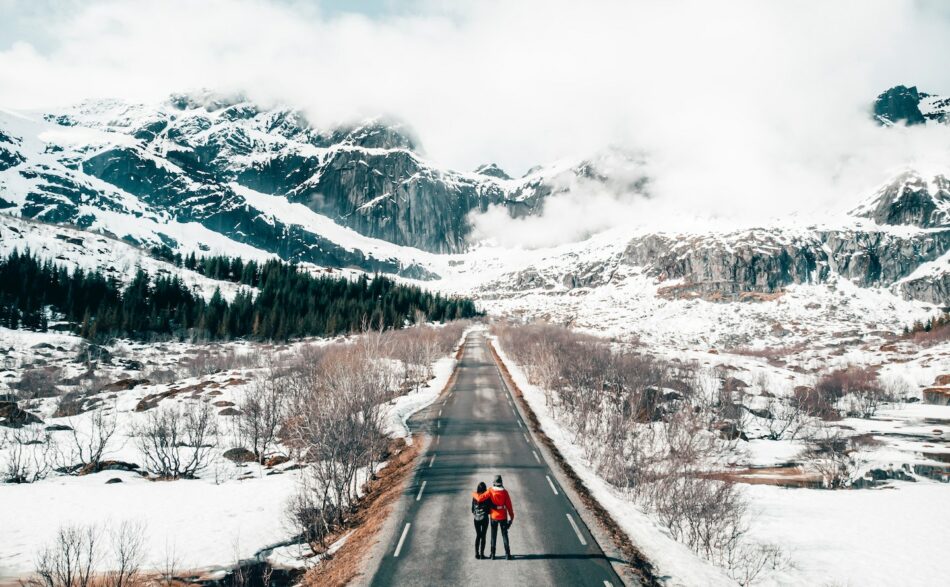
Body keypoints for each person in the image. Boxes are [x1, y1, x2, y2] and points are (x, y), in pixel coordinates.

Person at [485, 474, 515, 560]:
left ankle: (493, 554)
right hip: (503, 517)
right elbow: (509, 506)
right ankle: (507, 554)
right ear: (501, 482)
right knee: (505, 535)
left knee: (493, 535)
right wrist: (511, 518)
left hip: (493, 516)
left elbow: (483, 498)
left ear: (494, 483)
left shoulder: (490, 490)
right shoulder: (505, 492)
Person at [471, 481, 492, 559]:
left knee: (478, 535)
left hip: (476, 519)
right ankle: (482, 555)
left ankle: (477, 554)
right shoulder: (487, 497)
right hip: (484, 519)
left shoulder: (474, 497)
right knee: (483, 536)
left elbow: (472, 509)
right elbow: (489, 511)